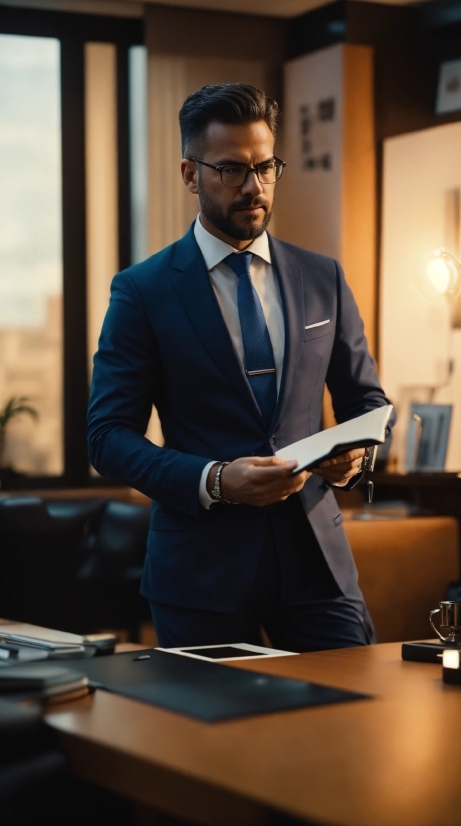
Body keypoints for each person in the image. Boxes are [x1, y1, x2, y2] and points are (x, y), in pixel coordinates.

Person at [88, 83, 394, 652]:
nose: (254, 187)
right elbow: (107, 438)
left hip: (317, 567)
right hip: (200, 572)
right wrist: (216, 480)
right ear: (189, 174)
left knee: (354, 730)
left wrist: (353, 458)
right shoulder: (142, 291)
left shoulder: (322, 277)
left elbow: (368, 402)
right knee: (217, 740)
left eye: (266, 166)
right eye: (231, 170)